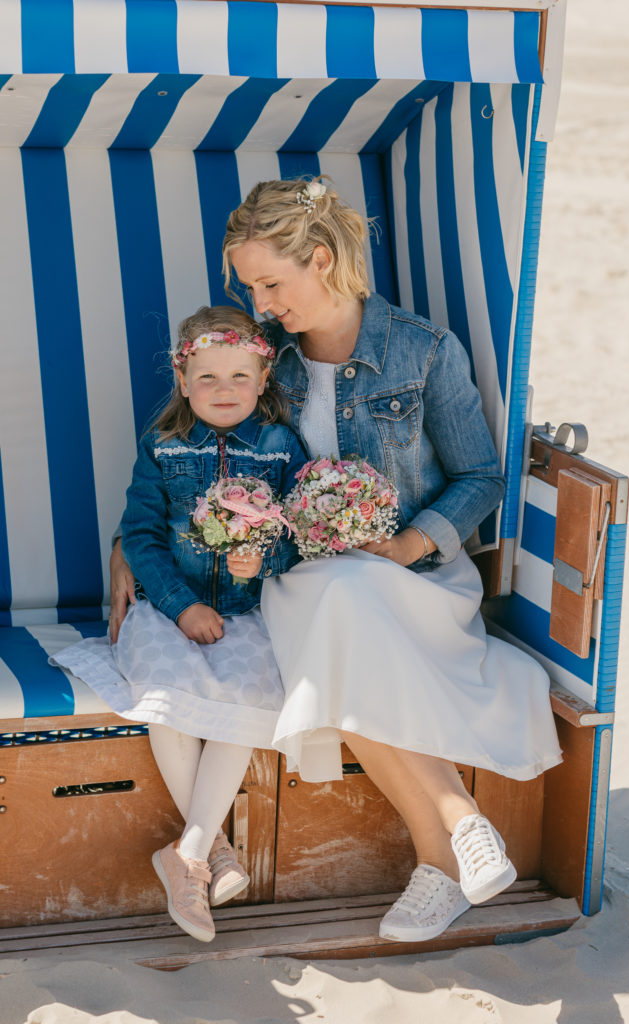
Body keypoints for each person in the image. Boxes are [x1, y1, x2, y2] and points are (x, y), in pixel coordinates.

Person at [110, 178, 563, 945]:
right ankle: (455, 833)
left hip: (413, 576)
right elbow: (195, 464)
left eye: (268, 283)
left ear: (320, 259)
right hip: (298, 580)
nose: (257, 303)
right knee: (335, 600)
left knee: (348, 600)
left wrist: (406, 542)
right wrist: (131, 543)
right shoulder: (263, 361)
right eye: (248, 287)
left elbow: (482, 478)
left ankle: (447, 842)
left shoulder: (421, 351)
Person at [54, 305, 307, 943]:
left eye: (240, 378)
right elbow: (140, 532)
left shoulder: (280, 448)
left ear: (263, 378)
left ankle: (187, 850)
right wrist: (178, 605)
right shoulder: (163, 445)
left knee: (252, 696)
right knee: (165, 696)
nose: (224, 392)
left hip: (246, 610)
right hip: (166, 608)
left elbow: (297, 535)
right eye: (209, 378)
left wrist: (265, 558)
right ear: (183, 378)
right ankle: (212, 850)